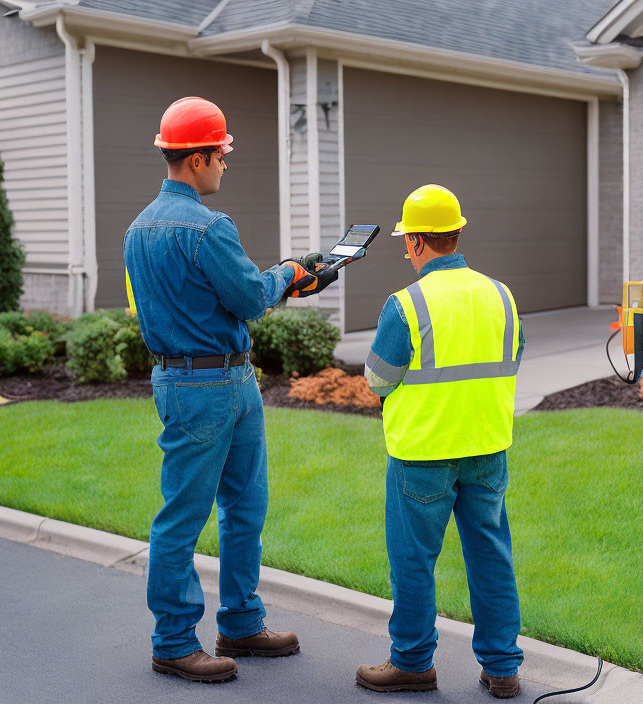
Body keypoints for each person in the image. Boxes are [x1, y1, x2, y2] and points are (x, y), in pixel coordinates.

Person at [123, 96, 335, 683]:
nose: (224, 165)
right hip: (213, 384)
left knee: (239, 506)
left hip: (194, 376)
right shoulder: (210, 227)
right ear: (197, 159)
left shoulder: (137, 230)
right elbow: (247, 297)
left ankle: (241, 621)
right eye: (221, 155)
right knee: (196, 515)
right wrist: (290, 275)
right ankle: (173, 641)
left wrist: (275, 281)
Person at [356, 185, 525, 699]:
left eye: (407, 241)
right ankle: (502, 668)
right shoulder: (501, 294)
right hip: (487, 449)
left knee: (413, 561)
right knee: (492, 556)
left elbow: (378, 380)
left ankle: (411, 662)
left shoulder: (404, 304)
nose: (406, 250)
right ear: (457, 233)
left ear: (419, 243)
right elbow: (512, 356)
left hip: (423, 455)